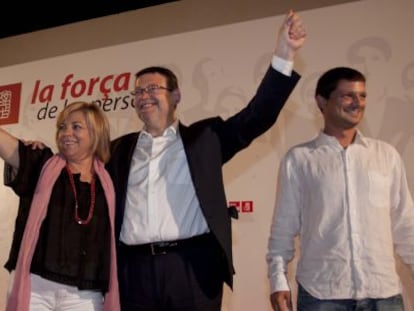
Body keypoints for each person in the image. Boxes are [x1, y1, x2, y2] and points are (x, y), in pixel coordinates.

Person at [107, 10, 306, 311]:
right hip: (133, 272)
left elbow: (256, 117)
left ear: (176, 96)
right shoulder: (117, 150)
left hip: (193, 269)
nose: (143, 95)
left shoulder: (205, 139)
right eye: (138, 91)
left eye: (153, 88)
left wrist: (284, 54)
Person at [266, 67, 414, 311]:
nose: (357, 103)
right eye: (348, 96)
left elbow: (406, 224)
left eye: (362, 96)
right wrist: (277, 280)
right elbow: (283, 227)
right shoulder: (300, 159)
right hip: (322, 295)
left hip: (384, 294)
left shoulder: (386, 156)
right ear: (322, 101)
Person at [1, 101, 120, 310]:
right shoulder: (42, 164)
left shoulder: (111, 180)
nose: (66, 133)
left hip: (84, 296)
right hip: (35, 288)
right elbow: (6, 145)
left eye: (76, 127)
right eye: (62, 127)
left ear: (96, 132)